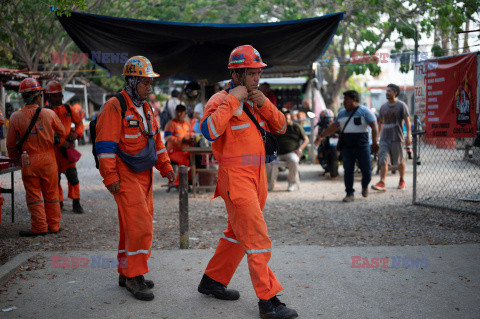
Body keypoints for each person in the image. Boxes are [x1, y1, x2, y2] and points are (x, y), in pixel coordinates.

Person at [199, 45, 298, 319]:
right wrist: (233, 100)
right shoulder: (219, 99)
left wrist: (262, 102)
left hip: (257, 176)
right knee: (256, 237)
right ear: (238, 73)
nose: (257, 77)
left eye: (258, 72)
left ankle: (212, 280)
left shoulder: (258, 99)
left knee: (236, 233)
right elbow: (209, 130)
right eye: (252, 73)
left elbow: (281, 127)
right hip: (235, 178)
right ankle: (268, 301)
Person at [95, 56, 175, 301]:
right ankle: (134, 276)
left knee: (131, 227)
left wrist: (166, 167)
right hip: (125, 175)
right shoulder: (115, 106)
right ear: (132, 81)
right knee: (139, 225)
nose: (150, 87)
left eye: (150, 82)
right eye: (145, 82)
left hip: (144, 174)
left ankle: (126, 271)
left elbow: (156, 142)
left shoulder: (146, 107)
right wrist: (110, 177)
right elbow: (105, 146)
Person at [7, 78, 66, 236]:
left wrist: (15, 159)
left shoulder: (15, 117)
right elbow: (63, 132)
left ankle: (39, 227)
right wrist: (52, 137)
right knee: (51, 193)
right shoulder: (49, 114)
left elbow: (11, 144)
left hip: (29, 160)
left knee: (33, 194)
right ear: (38, 96)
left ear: (23, 97)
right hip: (48, 159)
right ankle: (54, 225)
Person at [315, 90, 379, 202]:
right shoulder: (341, 113)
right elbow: (333, 127)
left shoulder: (365, 112)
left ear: (354, 100)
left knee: (367, 171)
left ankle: (365, 185)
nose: (343, 102)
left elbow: (374, 126)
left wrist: (374, 142)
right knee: (348, 171)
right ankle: (349, 193)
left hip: (362, 147)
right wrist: (321, 135)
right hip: (347, 147)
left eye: (346, 99)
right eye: (343, 100)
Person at [45, 81, 85, 214]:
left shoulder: (68, 109)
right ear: (49, 96)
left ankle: (76, 202)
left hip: (67, 152)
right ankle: (59, 202)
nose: (57, 98)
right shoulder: (45, 111)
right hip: (53, 152)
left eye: (59, 95)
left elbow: (79, 123)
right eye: (54, 95)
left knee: (73, 177)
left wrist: (76, 134)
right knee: (55, 180)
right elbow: (44, 132)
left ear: (62, 95)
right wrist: (61, 143)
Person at [372, 83, 411, 191]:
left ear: (395, 93)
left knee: (399, 161)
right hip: (384, 138)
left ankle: (402, 179)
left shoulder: (402, 105)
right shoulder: (383, 107)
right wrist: (377, 137)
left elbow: (407, 121)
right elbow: (380, 123)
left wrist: (408, 136)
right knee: (383, 160)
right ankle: (382, 182)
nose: (387, 93)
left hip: (397, 138)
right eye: (386, 91)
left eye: (389, 91)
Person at [267, 109, 309, 192]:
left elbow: (306, 140)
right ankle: (270, 183)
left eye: (288, 117)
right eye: (284, 117)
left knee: (294, 161)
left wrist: (300, 149)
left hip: (291, 152)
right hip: (277, 153)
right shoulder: (277, 127)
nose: (286, 119)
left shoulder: (296, 127)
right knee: (268, 162)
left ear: (290, 117)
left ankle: (291, 183)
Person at [164, 104, 193, 186]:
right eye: (177, 112)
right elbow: (167, 137)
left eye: (181, 112)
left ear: (185, 114)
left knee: (198, 159)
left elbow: (190, 135)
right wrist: (181, 140)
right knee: (185, 160)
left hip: (185, 151)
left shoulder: (187, 124)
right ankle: (178, 184)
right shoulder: (171, 123)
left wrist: (191, 140)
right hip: (173, 152)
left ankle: (189, 180)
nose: (179, 114)